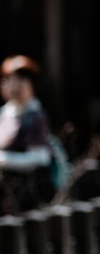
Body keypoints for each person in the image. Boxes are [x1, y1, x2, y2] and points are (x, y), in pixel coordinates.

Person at [0, 55, 55, 214]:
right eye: (10, 79)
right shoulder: (5, 113)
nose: (14, 86)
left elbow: (40, 157)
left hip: (28, 197)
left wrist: (3, 159)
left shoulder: (35, 116)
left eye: (21, 80)